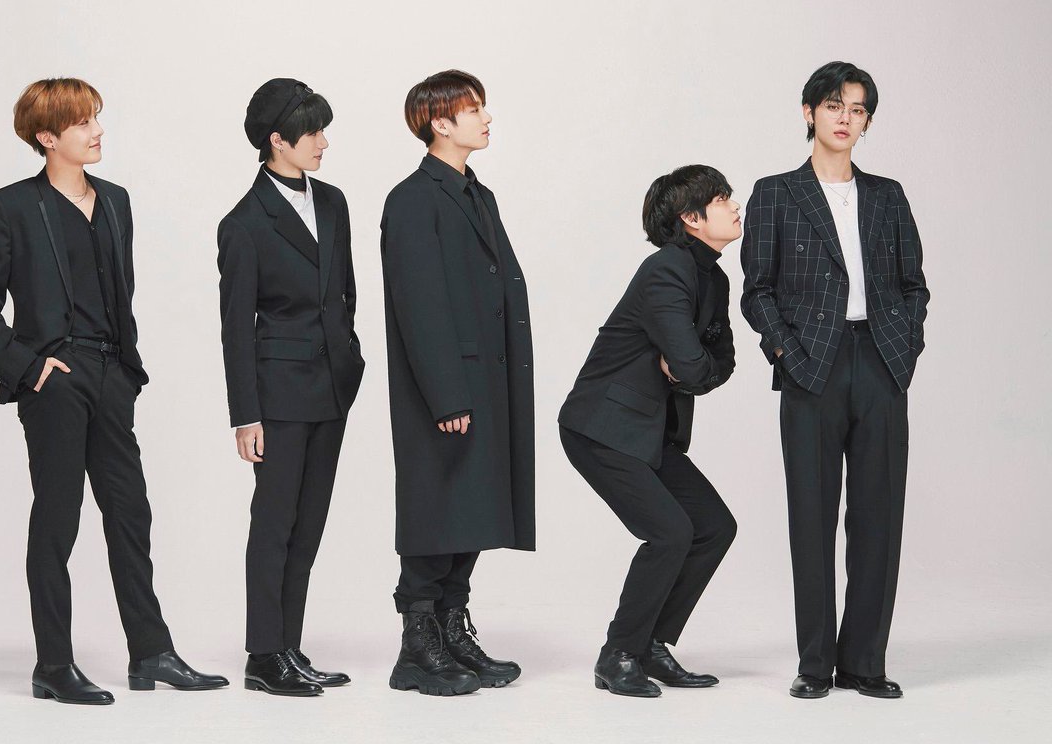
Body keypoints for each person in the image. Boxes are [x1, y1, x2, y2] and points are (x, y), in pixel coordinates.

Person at [0, 77, 227, 705]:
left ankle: (151, 652)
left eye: (95, 118)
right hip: (55, 379)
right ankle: (53, 665)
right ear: (47, 137)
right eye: (82, 123)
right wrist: (28, 367)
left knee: (131, 512)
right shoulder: (13, 206)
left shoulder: (115, 201)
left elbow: (118, 294)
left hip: (112, 373)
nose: (97, 131)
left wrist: (126, 374)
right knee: (59, 518)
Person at [740, 61, 929, 700]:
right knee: (812, 517)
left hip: (881, 362)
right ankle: (816, 663)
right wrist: (787, 353)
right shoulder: (775, 193)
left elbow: (914, 284)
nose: (845, 118)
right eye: (833, 106)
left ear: (866, 121)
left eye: (857, 109)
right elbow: (757, 290)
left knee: (879, 517)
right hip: (809, 366)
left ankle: (864, 663)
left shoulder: (887, 195)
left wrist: (905, 348)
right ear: (809, 113)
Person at [380, 69, 535, 696]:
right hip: (445, 388)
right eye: (474, 110)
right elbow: (420, 305)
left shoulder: (476, 194)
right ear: (439, 123)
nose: (486, 118)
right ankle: (417, 646)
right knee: (437, 505)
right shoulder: (413, 199)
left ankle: (451, 628)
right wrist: (446, 394)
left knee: (471, 506)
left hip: (484, 382)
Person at [559, 165, 740, 697]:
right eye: (722, 199)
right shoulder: (665, 271)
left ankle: (651, 645)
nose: (735, 205)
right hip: (602, 427)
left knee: (713, 527)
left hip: (649, 433)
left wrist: (690, 368)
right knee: (670, 532)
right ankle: (617, 655)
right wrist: (691, 366)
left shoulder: (714, 278)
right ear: (691, 218)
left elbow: (721, 363)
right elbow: (693, 363)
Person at [217, 78, 365, 697]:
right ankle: (263, 654)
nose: (324, 143)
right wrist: (245, 415)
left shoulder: (333, 202)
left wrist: (350, 359)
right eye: (313, 133)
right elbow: (235, 328)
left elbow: (345, 293)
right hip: (277, 395)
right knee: (274, 524)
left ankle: (290, 648)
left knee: (309, 525)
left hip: (331, 388)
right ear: (277, 140)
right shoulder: (244, 223)